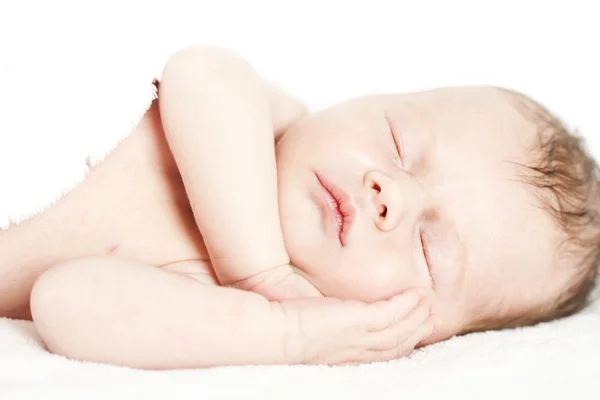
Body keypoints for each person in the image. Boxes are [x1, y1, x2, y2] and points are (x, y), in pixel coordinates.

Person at [0, 46, 598, 369]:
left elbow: (65, 301)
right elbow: (198, 71)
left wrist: (284, 334)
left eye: (428, 247)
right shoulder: (271, 123)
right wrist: (260, 271)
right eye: (399, 144)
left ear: (419, 332)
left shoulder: (219, 305)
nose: (392, 193)